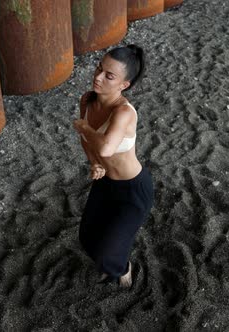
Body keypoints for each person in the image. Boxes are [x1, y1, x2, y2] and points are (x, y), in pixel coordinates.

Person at [73, 45, 154, 288]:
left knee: (109, 257)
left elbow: (106, 146)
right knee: (87, 239)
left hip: (133, 191)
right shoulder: (87, 100)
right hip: (105, 183)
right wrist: (94, 162)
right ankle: (114, 263)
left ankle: (123, 268)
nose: (97, 77)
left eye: (109, 76)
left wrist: (84, 128)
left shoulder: (123, 113)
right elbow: (88, 142)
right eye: (99, 68)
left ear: (124, 85)